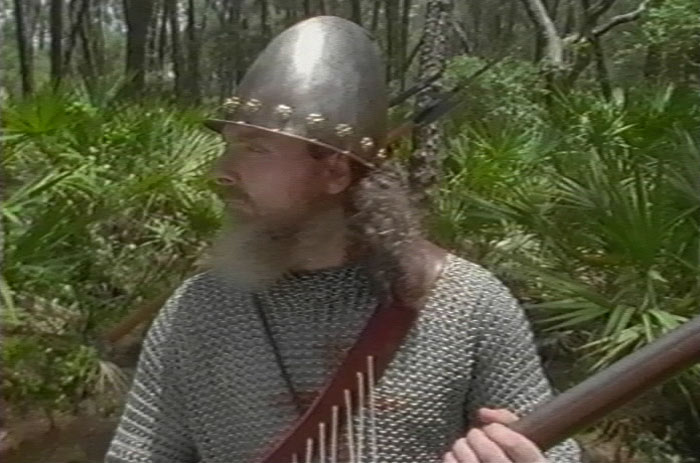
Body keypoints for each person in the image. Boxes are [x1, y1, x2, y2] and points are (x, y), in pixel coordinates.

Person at [105, 16, 582, 463]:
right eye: (227, 146)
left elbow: (551, 452)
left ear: (334, 171)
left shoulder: (469, 305)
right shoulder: (198, 311)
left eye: (254, 148)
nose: (221, 173)